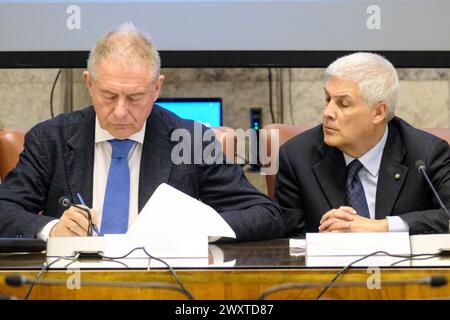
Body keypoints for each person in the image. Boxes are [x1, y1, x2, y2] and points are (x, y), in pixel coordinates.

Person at [0, 23, 286, 241]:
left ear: (157, 88)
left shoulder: (191, 140)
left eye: (135, 97)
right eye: (109, 96)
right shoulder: (51, 139)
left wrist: (201, 227)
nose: (121, 111)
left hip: (163, 283)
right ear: (89, 84)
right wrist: (51, 229)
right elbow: (5, 209)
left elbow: (266, 214)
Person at [275, 52, 449, 236]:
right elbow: (287, 240)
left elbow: (447, 217)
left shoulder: (426, 154)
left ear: (378, 112)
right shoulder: (297, 157)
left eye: (343, 104)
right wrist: (322, 244)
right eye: (328, 99)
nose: (328, 112)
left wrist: (380, 227)